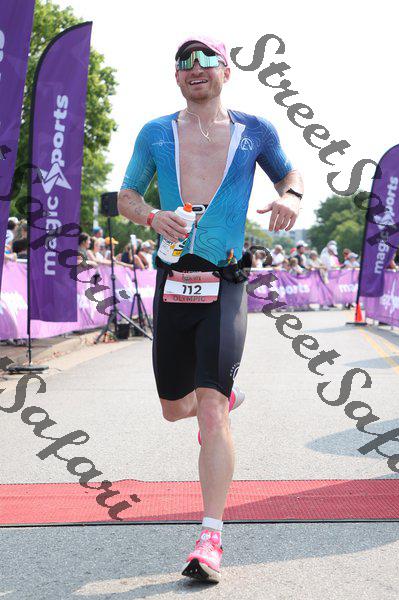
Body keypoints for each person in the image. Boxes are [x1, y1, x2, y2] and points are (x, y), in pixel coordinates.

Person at [117, 35, 303, 583]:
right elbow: (127, 196)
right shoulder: (155, 132)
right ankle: (218, 398)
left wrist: (289, 198)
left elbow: (289, 174)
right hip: (173, 280)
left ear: (226, 70)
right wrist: (151, 217)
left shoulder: (255, 131)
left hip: (225, 280)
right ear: (176, 75)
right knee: (176, 408)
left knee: (212, 407)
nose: (193, 68)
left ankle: (210, 537)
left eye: (205, 60)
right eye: (183, 61)